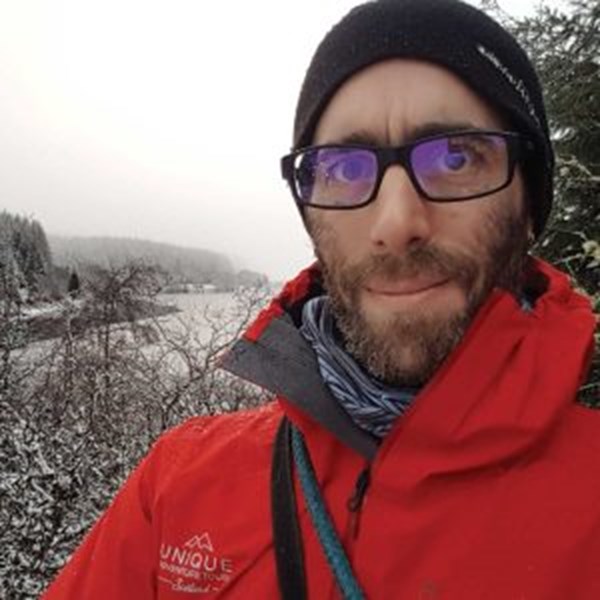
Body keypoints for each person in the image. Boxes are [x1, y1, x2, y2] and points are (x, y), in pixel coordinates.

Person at [43, 0, 598, 598]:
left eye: (456, 157)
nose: (395, 223)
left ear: (528, 203)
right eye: (344, 168)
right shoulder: (177, 489)